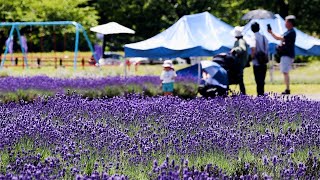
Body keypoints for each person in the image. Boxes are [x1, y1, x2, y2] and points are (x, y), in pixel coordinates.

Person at [268, 15, 296, 95]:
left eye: (286, 21)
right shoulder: (288, 32)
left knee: (285, 71)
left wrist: (271, 33)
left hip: (287, 54)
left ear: (290, 23)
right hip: (286, 54)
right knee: (284, 71)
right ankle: (287, 88)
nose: (285, 23)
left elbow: (278, 38)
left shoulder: (291, 32)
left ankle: (287, 89)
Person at [250, 22, 269, 96]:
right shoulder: (264, 37)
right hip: (264, 61)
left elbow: (253, 49)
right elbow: (267, 49)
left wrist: (251, 57)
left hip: (256, 62)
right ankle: (262, 94)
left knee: (258, 80)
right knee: (262, 80)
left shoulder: (253, 37)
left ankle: (259, 95)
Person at [230, 26, 248, 95]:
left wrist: (234, 50)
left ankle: (243, 94)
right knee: (240, 79)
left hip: (239, 63)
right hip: (239, 63)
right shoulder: (239, 41)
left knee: (240, 79)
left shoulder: (241, 41)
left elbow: (242, 48)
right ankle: (243, 93)